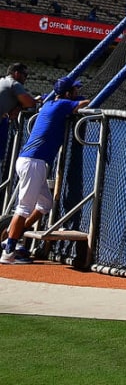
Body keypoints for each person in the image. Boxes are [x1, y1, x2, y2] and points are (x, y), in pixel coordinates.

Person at [2, 77, 90, 265]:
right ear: (67, 93)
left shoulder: (51, 103)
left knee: (45, 205)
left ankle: (12, 239)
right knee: (24, 208)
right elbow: (85, 103)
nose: (76, 92)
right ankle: (8, 252)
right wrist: (78, 98)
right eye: (74, 90)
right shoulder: (62, 104)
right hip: (34, 162)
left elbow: (65, 99)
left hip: (32, 161)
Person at [0, 63, 37, 161]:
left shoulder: (2, 81)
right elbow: (30, 103)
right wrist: (20, 106)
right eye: (25, 75)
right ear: (16, 73)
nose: (26, 78)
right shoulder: (14, 83)